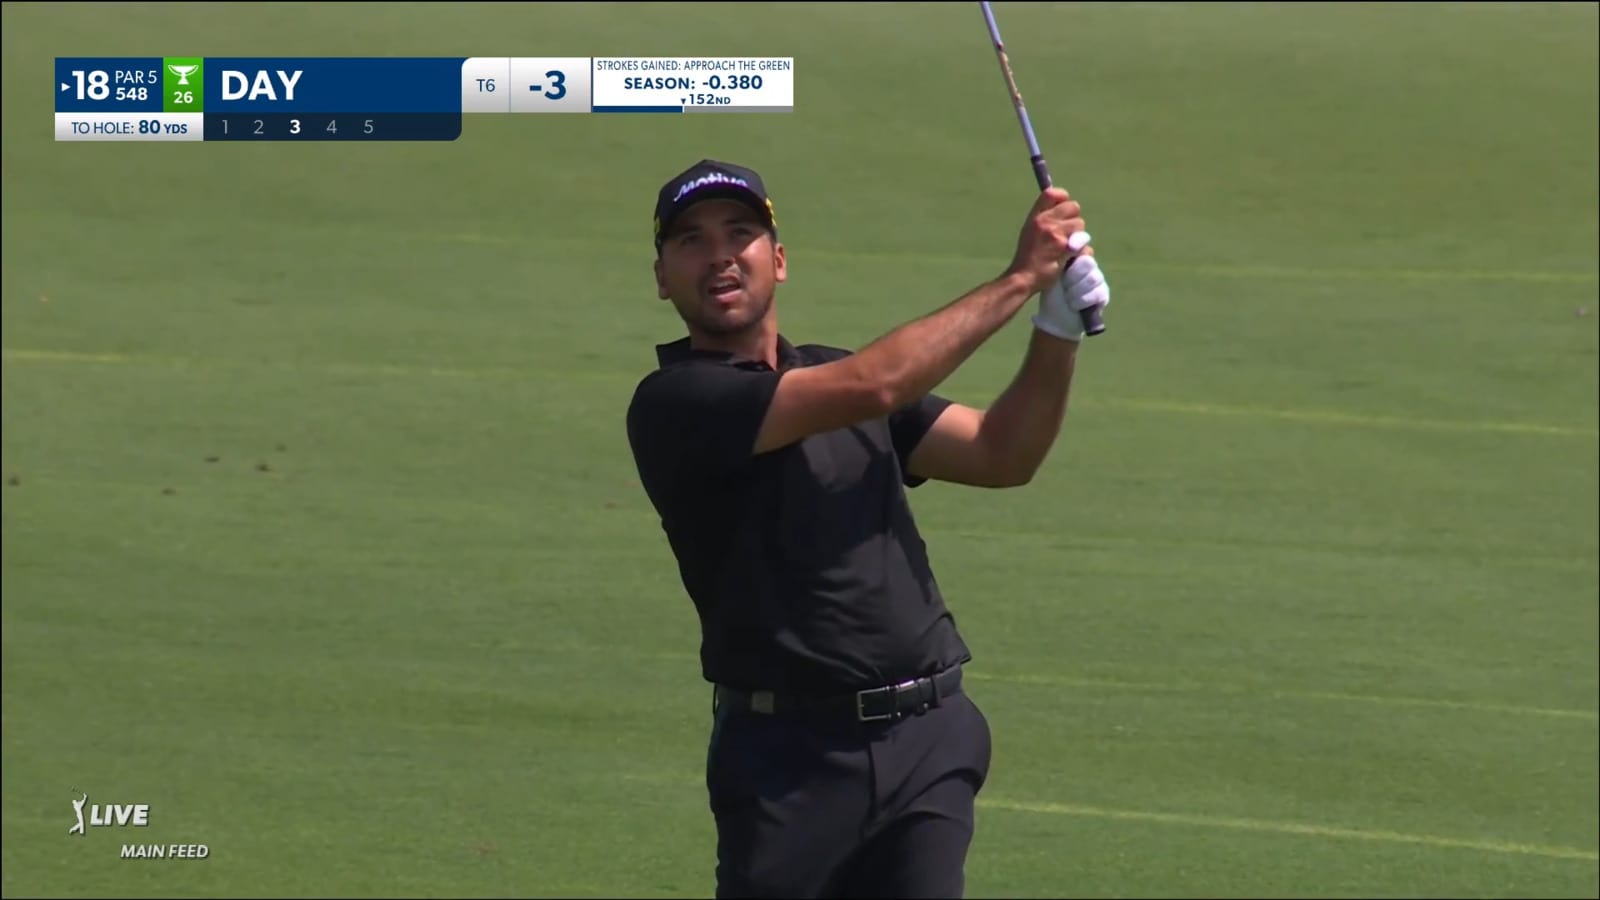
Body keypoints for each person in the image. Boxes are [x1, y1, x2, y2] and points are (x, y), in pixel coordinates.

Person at [625, 159, 1110, 899]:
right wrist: (1020, 280)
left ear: (777, 260)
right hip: (790, 762)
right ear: (662, 276)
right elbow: (879, 384)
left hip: (927, 737)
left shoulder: (835, 374)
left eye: (742, 233)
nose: (719, 254)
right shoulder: (677, 403)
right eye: (690, 240)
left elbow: (1001, 453)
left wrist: (1057, 331)